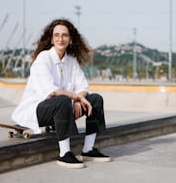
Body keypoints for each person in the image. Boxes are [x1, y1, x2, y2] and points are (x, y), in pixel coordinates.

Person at [11, 18, 111, 169]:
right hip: (37, 110)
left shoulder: (71, 61)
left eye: (65, 35)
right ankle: (64, 154)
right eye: (56, 35)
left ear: (70, 39)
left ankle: (88, 150)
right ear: (51, 39)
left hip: (63, 108)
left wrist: (80, 98)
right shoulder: (43, 58)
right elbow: (52, 91)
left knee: (95, 99)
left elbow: (82, 85)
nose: (60, 38)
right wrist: (75, 97)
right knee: (63, 99)